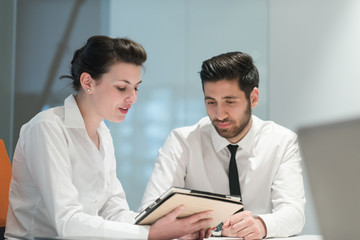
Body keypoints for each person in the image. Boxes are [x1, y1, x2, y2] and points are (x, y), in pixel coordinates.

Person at [5, 36, 213, 240]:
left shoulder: (103, 133)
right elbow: (67, 223)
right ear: (88, 82)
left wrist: (170, 228)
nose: (133, 98)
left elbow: (114, 212)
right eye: (122, 87)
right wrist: (151, 234)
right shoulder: (47, 128)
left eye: (136, 87)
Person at [139, 51, 306, 239]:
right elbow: (150, 213)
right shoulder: (182, 142)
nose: (219, 114)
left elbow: (294, 213)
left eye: (230, 101)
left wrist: (261, 225)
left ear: (253, 98)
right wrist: (203, 228)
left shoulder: (282, 142)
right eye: (211, 102)